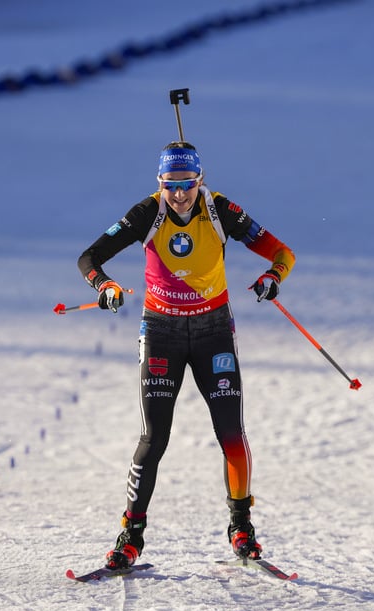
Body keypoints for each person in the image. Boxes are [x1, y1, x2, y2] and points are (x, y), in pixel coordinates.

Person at [77, 140, 296, 569]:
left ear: (201, 180)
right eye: (170, 185)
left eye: (187, 185)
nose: (179, 195)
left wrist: (273, 276)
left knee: (231, 434)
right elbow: (90, 257)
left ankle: (242, 529)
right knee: (154, 439)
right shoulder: (148, 212)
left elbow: (281, 252)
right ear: (160, 183)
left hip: (213, 332)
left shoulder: (220, 210)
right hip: (162, 334)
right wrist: (104, 286)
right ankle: (130, 535)